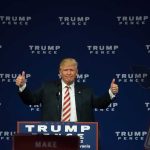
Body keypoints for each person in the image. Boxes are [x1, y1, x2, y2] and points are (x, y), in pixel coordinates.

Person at [16, 58, 119, 122]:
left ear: (77, 72)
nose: (69, 73)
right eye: (66, 70)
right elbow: (31, 99)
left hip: (80, 135)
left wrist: (111, 92)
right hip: (53, 134)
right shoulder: (47, 87)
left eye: (71, 70)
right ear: (60, 72)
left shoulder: (86, 90)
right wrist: (23, 86)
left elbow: (100, 103)